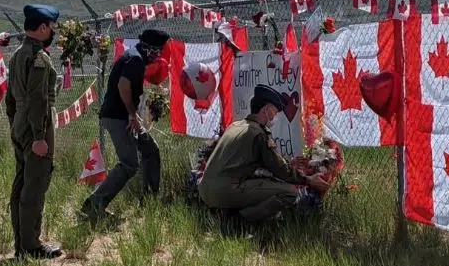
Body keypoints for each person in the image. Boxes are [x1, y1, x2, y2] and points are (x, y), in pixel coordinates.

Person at [198, 85, 327, 223]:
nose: (275, 117)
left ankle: (226, 213)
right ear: (266, 110)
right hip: (222, 192)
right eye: (275, 112)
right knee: (289, 193)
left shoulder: (235, 126)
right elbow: (280, 169)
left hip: (205, 189)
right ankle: (238, 221)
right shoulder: (258, 134)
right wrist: (308, 180)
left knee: (263, 184)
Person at [80, 28, 169, 221]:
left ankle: (150, 201)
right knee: (129, 163)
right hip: (118, 117)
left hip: (123, 115)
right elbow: (123, 86)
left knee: (151, 149)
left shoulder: (134, 57)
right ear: (151, 49)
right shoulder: (135, 59)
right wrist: (132, 115)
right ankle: (95, 204)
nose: (160, 55)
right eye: (159, 50)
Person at [5, 4, 62, 259]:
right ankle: (30, 246)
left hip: (20, 122)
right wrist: (39, 136)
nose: (54, 32)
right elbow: (38, 99)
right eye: (52, 27)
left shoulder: (17, 54)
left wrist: (15, 125)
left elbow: (10, 98)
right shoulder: (39, 57)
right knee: (35, 184)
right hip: (35, 125)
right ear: (42, 28)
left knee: (21, 183)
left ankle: (22, 241)